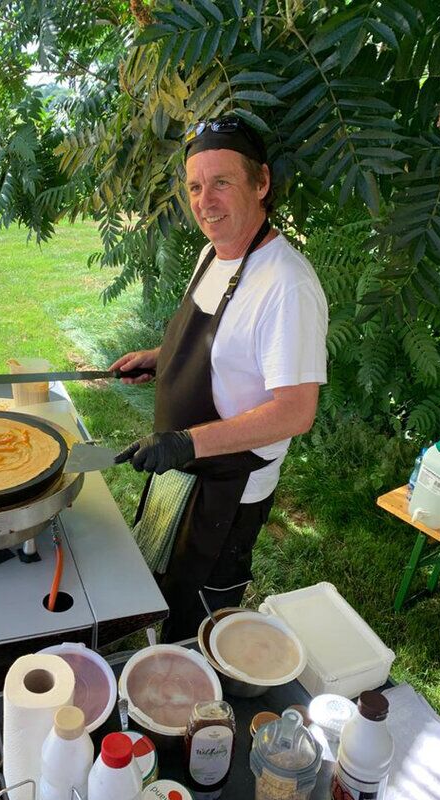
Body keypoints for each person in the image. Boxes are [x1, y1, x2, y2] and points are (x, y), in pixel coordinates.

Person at [112, 115, 328, 642]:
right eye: (194, 186)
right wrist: (161, 357)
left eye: (222, 182)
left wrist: (186, 442)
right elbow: (223, 347)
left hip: (227, 494)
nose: (205, 200)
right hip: (181, 472)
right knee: (160, 591)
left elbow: (294, 411)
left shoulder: (287, 286)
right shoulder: (215, 252)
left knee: (198, 620)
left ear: (261, 182)